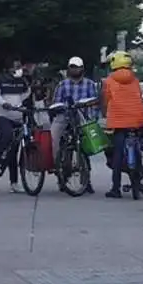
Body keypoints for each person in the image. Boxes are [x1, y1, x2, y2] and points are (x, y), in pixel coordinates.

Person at [101, 50, 143, 199]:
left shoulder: (109, 81)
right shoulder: (135, 80)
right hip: (138, 121)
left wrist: (105, 114)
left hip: (119, 123)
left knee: (117, 154)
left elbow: (105, 100)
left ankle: (116, 189)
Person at [50, 56, 99, 194]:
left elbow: (95, 103)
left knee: (85, 148)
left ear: (82, 68)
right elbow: (56, 102)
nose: (74, 69)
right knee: (54, 138)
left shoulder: (89, 84)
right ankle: (59, 171)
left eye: (77, 67)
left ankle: (86, 181)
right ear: (68, 68)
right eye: (72, 67)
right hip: (64, 117)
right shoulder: (63, 85)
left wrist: (93, 119)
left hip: (82, 118)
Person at [0, 59, 30, 193]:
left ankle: (14, 182)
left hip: (17, 117)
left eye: (19, 67)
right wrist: (4, 103)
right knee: (7, 135)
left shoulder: (21, 81)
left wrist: (19, 103)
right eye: (16, 67)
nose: (19, 69)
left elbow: (26, 93)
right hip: (2, 116)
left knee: (14, 151)